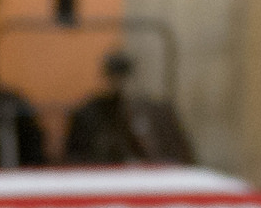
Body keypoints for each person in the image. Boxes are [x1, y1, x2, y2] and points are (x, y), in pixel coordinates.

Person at [60, 49, 193, 165]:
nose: (119, 83)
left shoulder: (156, 112)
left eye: (123, 76)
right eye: (114, 77)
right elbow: (75, 156)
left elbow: (179, 153)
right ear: (105, 77)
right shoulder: (89, 113)